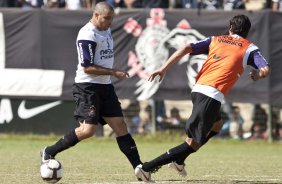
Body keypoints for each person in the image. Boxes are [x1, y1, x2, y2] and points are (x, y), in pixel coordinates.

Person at [134, 14, 270, 182]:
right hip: (211, 95)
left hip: (198, 90)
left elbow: (185, 48)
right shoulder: (249, 48)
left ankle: (179, 160)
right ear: (247, 32)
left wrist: (163, 68)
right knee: (192, 143)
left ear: (230, 28)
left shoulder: (216, 40)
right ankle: (147, 168)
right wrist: (258, 75)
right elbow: (265, 69)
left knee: (217, 125)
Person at [40, 2, 143, 181]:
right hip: (87, 87)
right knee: (87, 131)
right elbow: (87, 67)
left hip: (105, 87)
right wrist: (113, 72)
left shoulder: (106, 29)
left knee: (121, 126)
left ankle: (140, 168)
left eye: (111, 18)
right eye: (106, 18)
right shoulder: (87, 34)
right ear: (96, 15)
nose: (110, 22)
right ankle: (49, 151)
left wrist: (110, 76)